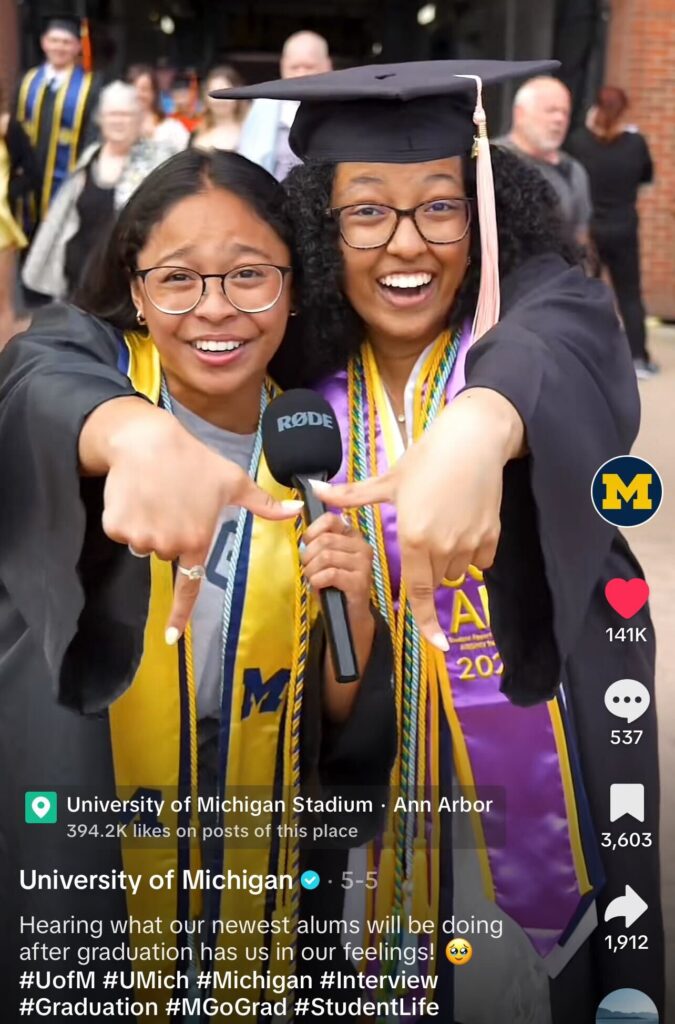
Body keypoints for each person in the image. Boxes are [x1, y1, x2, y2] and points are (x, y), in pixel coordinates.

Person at [219, 59, 664, 1023]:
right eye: (366, 212)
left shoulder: (535, 322)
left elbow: (564, 335)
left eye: (441, 208)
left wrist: (481, 422)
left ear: (488, 218)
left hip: (551, 786)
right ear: (316, 230)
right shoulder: (292, 386)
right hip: (366, 820)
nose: (406, 244)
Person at [0, 148, 396, 1018]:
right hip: (87, 841)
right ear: (134, 289)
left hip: (252, 859)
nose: (215, 309)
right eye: (177, 278)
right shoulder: (91, 377)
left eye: (250, 275)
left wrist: (356, 624)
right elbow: (35, 380)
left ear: (295, 286)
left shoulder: (317, 445)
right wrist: (131, 438)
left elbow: (340, 741)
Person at [22, 81, 169, 301]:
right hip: (77, 286)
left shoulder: (159, 160)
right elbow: (61, 219)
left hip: (127, 289)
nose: (118, 121)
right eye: (112, 114)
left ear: (139, 119)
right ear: (100, 119)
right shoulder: (90, 156)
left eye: (126, 114)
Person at [567, 86, 656, 380]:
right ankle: (638, 357)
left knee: (585, 292)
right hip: (624, 227)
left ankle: (580, 353)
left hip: (589, 229)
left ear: (595, 108)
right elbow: (647, 176)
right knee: (629, 293)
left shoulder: (579, 142)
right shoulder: (635, 143)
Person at [14, 15, 100, 226]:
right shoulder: (27, 82)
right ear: (44, 43)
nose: (59, 47)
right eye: (54, 41)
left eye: (66, 42)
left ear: (78, 46)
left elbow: (92, 136)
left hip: (67, 179)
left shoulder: (90, 87)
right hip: (28, 180)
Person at [498, 75, 592, 246]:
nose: (559, 119)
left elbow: (581, 238)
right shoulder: (490, 161)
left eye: (565, 112)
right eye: (551, 111)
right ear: (520, 114)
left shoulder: (573, 171)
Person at [237, 30, 332, 180]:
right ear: (283, 66)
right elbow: (247, 162)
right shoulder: (263, 106)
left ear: (327, 65)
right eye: (294, 67)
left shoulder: (340, 106)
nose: (301, 74)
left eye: (309, 67)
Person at [0, 85, 37, 347]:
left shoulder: (6, 126)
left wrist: (8, 194)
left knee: (2, 302)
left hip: (2, 227)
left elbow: (33, 172)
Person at [126, 63, 190, 154]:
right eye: (133, 88)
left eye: (144, 89)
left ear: (154, 92)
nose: (137, 94)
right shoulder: (118, 125)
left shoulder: (171, 128)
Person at [191, 66, 248, 153]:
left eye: (226, 93)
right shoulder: (196, 131)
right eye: (215, 93)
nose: (220, 100)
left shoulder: (249, 129)